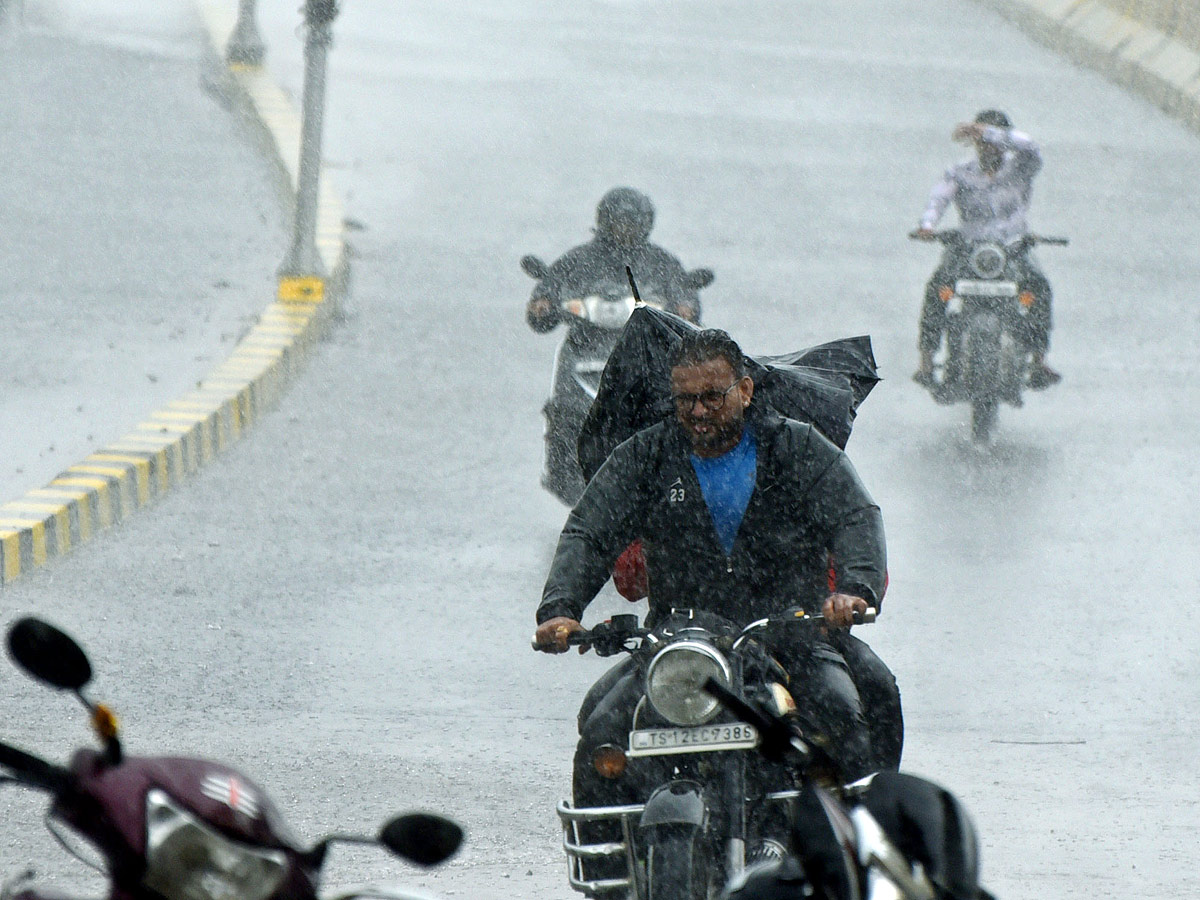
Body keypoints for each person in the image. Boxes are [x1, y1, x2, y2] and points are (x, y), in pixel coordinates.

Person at [534, 328, 894, 798]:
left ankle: (865, 829)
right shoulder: (645, 455)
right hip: (678, 643)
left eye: (711, 397)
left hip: (791, 635)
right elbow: (589, 532)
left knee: (865, 700)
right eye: (685, 400)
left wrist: (855, 589)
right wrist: (560, 608)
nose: (698, 411)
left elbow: (855, 516)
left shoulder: (798, 447)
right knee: (601, 724)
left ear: (744, 391)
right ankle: (607, 845)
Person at [912, 109, 1060, 390]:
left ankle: (1039, 361)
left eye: (993, 140)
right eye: (982, 140)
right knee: (938, 289)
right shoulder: (960, 173)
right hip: (968, 250)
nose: (988, 146)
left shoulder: (1021, 168)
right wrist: (927, 225)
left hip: (1013, 249)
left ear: (1005, 142)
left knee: (1039, 288)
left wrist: (988, 131)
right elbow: (938, 199)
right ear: (974, 144)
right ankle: (926, 362)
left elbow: (1031, 147)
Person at [525, 186, 702, 331]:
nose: (624, 229)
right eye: (617, 222)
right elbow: (554, 280)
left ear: (645, 224)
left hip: (647, 342)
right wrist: (543, 300)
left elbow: (680, 287)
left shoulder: (661, 262)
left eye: (631, 223)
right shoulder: (580, 258)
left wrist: (685, 305)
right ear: (604, 222)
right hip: (585, 338)